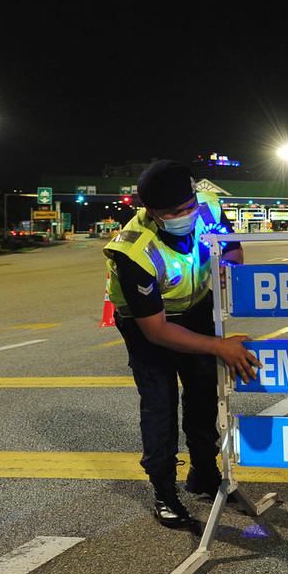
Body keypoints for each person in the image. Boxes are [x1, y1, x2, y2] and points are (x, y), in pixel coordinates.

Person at [103, 160, 259, 529]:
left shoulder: (208, 205)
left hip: (196, 307)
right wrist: (219, 346)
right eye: (173, 213)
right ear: (151, 213)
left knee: (204, 392)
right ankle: (164, 492)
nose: (185, 216)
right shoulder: (133, 252)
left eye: (187, 207)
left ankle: (204, 475)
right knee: (160, 403)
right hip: (148, 324)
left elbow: (232, 249)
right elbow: (156, 331)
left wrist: (228, 271)